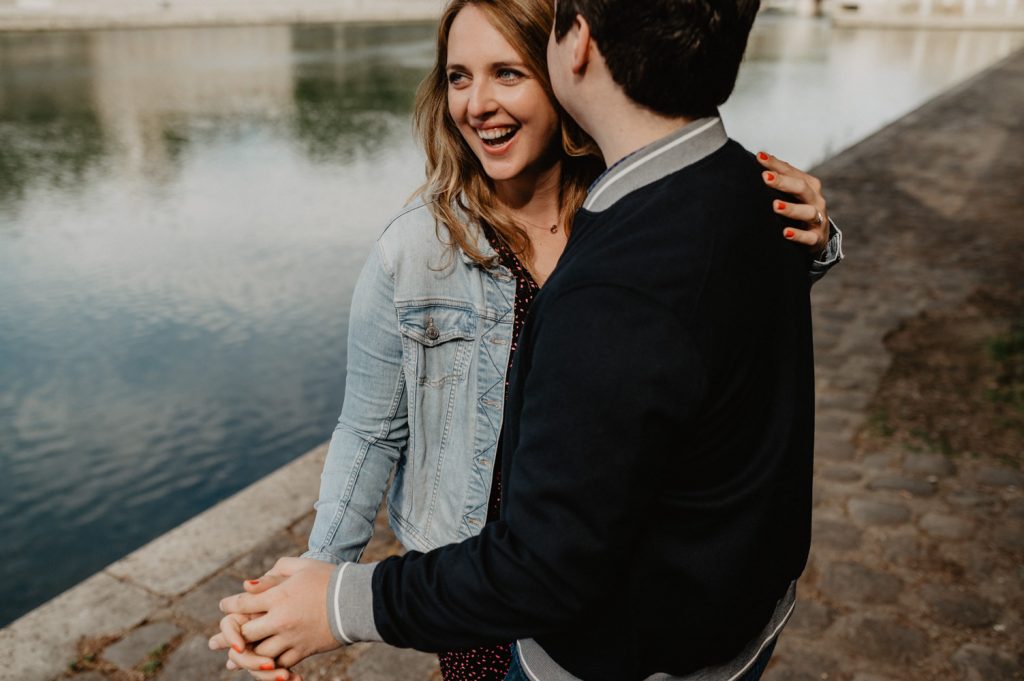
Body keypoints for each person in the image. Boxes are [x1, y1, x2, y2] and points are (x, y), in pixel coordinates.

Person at [212, 0, 839, 679]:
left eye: (506, 73)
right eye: (457, 77)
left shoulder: (630, 224)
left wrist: (812, 241)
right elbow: (369, 430)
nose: (476, 102)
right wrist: (315, 581)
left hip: (594, 592)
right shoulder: (414, 249)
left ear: (562, 61)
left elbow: (708, 331)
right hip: (468, 577)